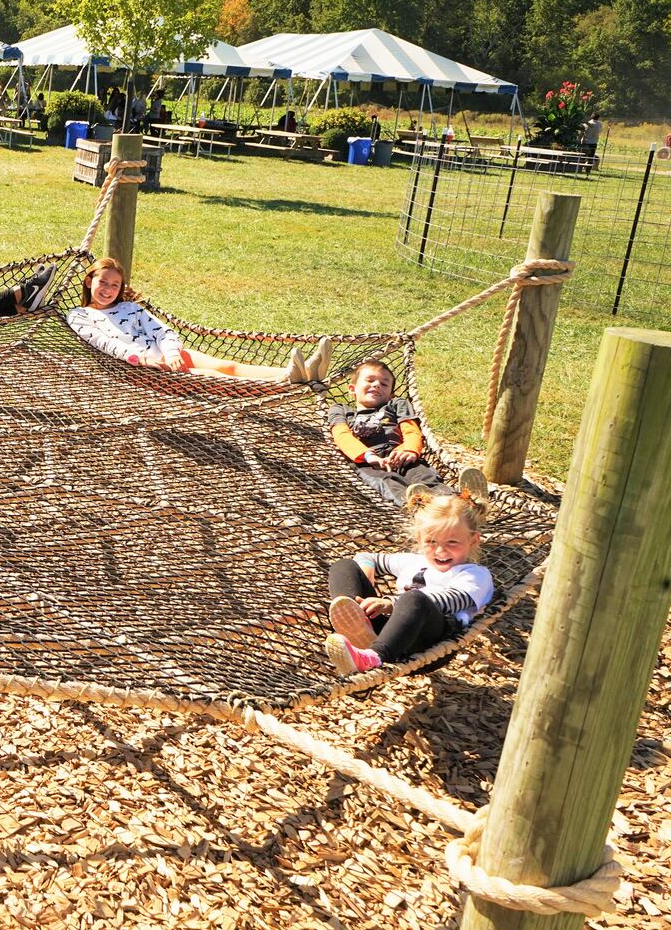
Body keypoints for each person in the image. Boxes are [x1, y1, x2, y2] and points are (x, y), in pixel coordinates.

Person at [65, 257, 327, 384]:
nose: (108, 289)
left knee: (228, 365)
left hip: (171, 355)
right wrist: (140, 358)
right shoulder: (79, 315)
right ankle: (287, 381)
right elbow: (102, 342)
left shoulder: (130, 307)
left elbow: (162, 331)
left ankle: (298, 375)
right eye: (102, 282)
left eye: (114, 284)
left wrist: (171, 351)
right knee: (212, 376)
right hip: (146, 368)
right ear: (89, 281)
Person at [322, 490, 492, 675]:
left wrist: (392, 603)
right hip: (388, 629)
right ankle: (354, 619)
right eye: (431, 542)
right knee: (344, 565)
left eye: (452, 542)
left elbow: (451, 599)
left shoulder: (476, 575)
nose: (440, 551)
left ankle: (373, 658)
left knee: (415, 599)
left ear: (473, 541)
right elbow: (368, 557)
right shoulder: (415, 562)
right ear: (419, 539)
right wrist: (366, 575)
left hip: (429, 644)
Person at [329, 359, 474, 506]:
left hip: (401, 455)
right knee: (387, 482)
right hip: (368, 462)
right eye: (370, 380)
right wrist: (368, 456)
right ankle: (416, 507)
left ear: (390, 394)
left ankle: (462, 503)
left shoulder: (396, 404)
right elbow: (342, 436)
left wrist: (409, 450)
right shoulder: (341, 410)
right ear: (352, 389)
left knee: (425, 477)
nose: (377, 384)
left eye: (384, 384)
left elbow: (411, 430)